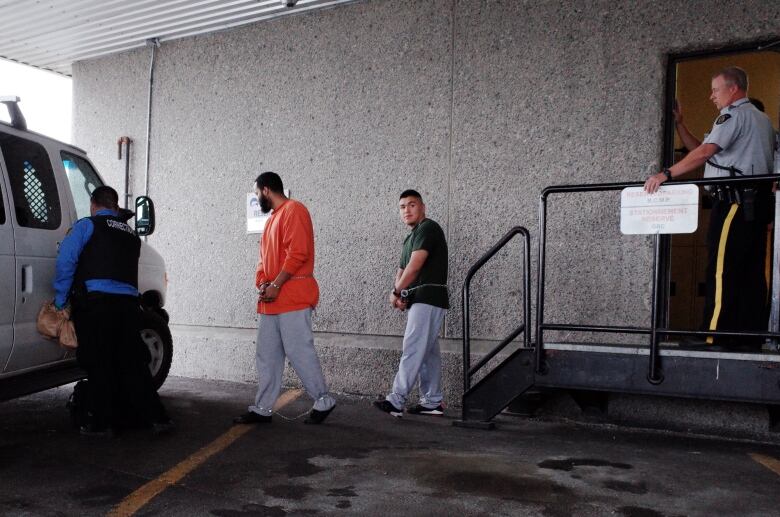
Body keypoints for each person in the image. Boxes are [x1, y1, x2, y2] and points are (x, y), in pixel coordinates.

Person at [645, 67, 775, 347]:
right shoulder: (762, 120)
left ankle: (711, 335)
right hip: (755, 204)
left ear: (733, 89)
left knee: (721, 270)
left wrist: (664, 174)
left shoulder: (733, 115)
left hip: (733, 203)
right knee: (750, 273)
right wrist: (681, 124)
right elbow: (705, 151)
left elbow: (705, 152)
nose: (711, 96)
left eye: (715, 90)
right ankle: (748, 337)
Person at [54, 186, 171, 436]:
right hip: (128, 307)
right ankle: (156, 418)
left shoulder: (87, 226)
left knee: (99, 364)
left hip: (96, 306)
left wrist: (61, 300)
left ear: (94, 204)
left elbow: (66, 260)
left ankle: (101, 423)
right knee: (133, 364)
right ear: (115, 206)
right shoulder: (130, 234)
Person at [234, 172, 336, 425]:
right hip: (272, 300)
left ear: (266, 190)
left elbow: (298, 253)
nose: (257, 199)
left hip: (292, 297)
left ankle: (323, 400)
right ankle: (262, 408)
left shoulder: (295, 210)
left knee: (299, 350)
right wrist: (262, 283)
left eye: (257, 193)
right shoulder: (271, 221)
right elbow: (262, 261)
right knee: (267, 354)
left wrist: (276, 284)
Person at [374, 190, 449, 417]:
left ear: (423, 207)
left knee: (413, 347)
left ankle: (397, 399)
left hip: (429, 298)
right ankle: (432, 401)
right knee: (427, 353)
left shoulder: (428, 228)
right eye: (402, 206)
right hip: (420, 299)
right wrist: (399, 295)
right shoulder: (411, 237)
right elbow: (403, 270)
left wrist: (395, 291)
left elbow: (415, 266)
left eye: (412, 205)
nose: (407, 210)